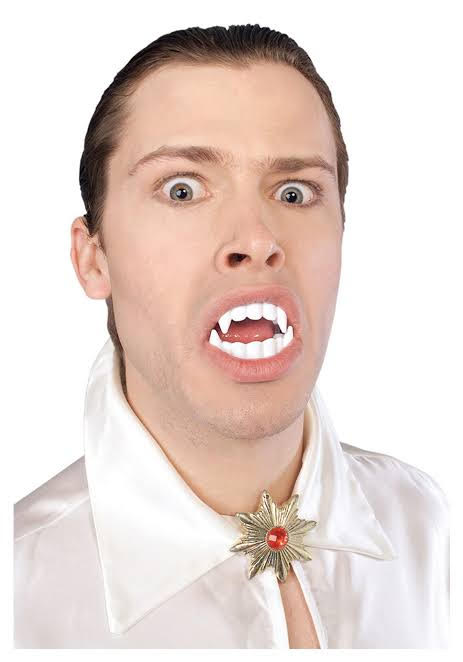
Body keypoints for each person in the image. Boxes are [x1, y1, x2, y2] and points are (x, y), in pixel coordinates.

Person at [14, 23, 449, 649]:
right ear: (93, 259)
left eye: (295, 192)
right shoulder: (19, 590)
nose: (257, 239)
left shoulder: (432, 529)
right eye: (183, 189)